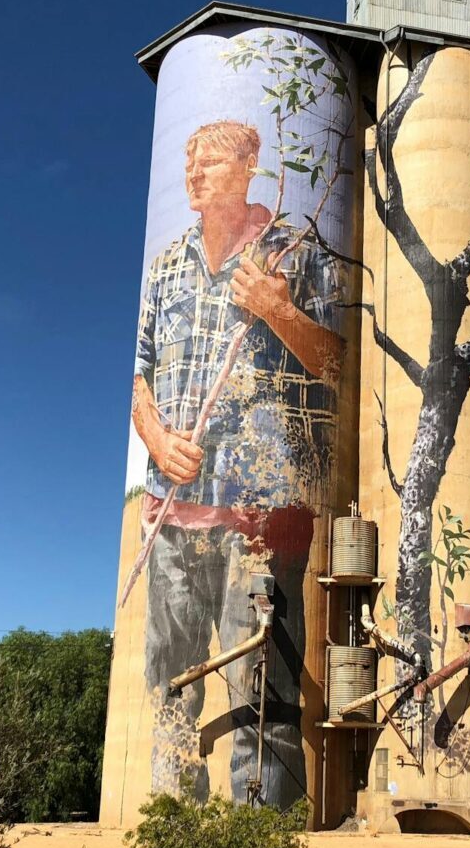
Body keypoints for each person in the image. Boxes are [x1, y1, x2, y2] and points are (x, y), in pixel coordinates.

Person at [131, 120, 344, 807]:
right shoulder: (165, 265)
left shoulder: (296, 251)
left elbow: (340, 365)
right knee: (168, 687)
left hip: (261, 515)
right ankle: (170, 826)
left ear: (250, 167)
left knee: (264, 698)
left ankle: (264, 843)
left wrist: (280, 312)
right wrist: (158, 440)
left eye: (212, 163)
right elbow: (137, 379)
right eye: (189, 163)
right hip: (169, 518)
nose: (194, 174)